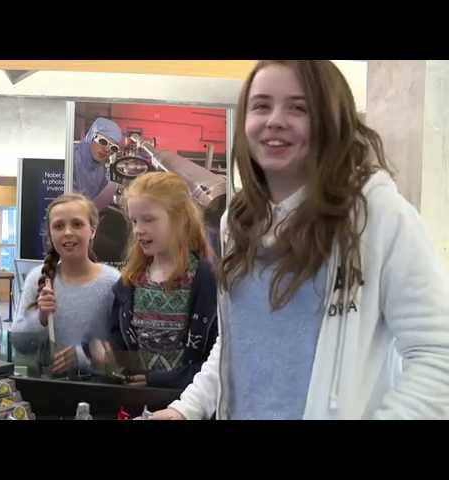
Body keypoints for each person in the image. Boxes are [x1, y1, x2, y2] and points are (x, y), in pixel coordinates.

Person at [150, 60, 449, 420]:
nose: (275, 119)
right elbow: (240, 342)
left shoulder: (377, 215)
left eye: (299, 107)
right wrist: (187, 408)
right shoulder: (237, 222)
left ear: (330, 119)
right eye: (261, 105)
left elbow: (438, 356)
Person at [107, 172, 218, 389]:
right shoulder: (129, 281)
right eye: (134, 221)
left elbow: (215, 361)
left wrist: (159, 380)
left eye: (149, 219)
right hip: (136, 404)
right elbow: (116, 339)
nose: (139, 229)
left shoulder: (207, 280)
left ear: (181, 218)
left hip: (189, 404)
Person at [12, 193, 119, 376]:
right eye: (59, 226)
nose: (68, 232)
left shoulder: (112, 282)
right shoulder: (37, 278)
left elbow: (121, 350)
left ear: (92, 230)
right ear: (50, 233)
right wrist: (41, 317)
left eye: (77, 224)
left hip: (100, 389)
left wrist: (81, 356)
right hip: (47, 388)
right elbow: (19, 344)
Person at [73, 117, 123, 211]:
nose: (107, 149)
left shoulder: (100, 169)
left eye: (113, 148)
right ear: (92, 136)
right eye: (103, 141)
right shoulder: (70, 157)